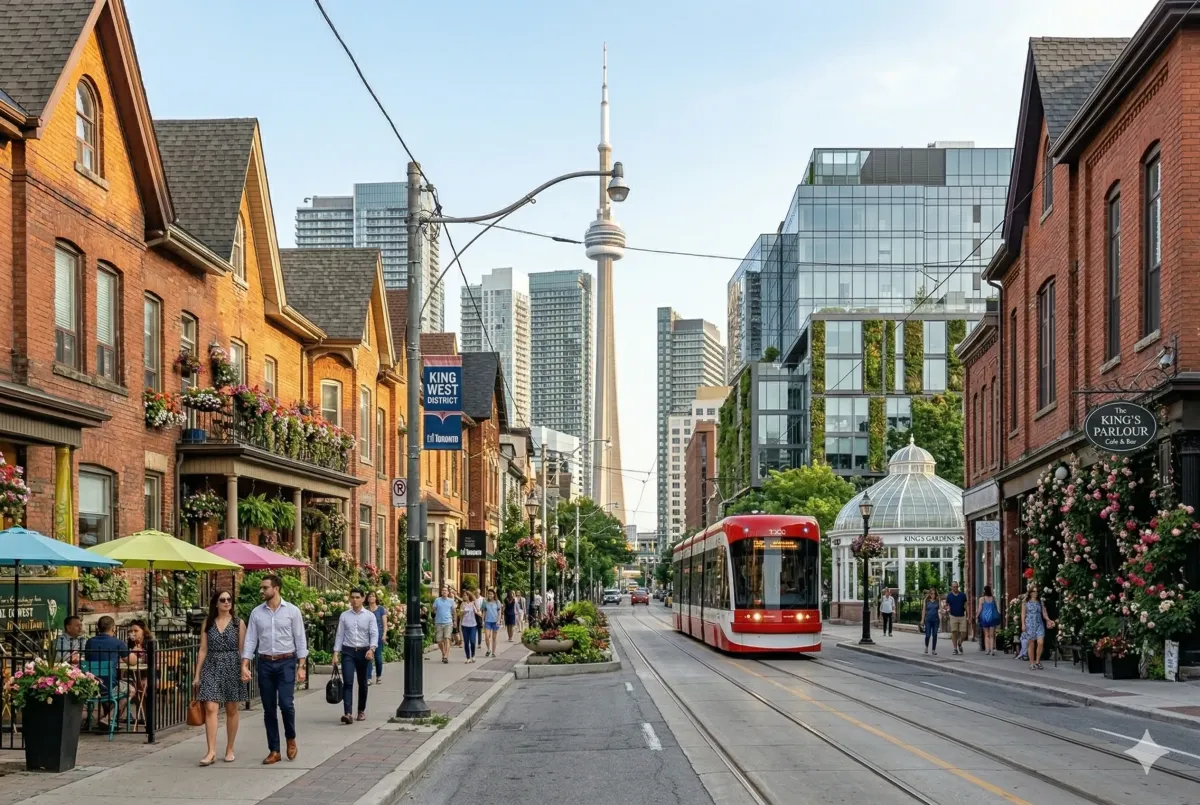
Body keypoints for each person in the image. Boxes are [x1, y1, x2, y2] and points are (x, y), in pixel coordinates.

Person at [241, 574, 308, 765]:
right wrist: (245, 663)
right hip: (265, 663)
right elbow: (251, 639)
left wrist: (301, 666)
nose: (261, 591)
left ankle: (291, 737)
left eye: (265, 588)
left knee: (286, 704)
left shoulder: (292, 612)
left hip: (286, 661)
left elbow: (300, 638)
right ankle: (274, 750)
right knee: (268, 708)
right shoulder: (256, 613)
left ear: (276, 588)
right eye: (261, 588)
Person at [193, 590, 248, 766]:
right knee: (210, 707)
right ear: (215, 604)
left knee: (232, 708)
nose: (226, 602)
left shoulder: (238, 623)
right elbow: (202, 649)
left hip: (232, 664)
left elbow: (242, 650)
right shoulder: (208, 623)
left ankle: (230, 748)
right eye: (222, 600)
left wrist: (243, 669)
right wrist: (197, 674)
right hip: (212, 664)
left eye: (229, 599)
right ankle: (211, 751)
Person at [334, 588, 377, 724]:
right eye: (352, 597)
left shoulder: (370, 616)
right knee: (348, 681)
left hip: (364, 652)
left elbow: (374, 634)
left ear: (363, 599)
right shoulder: (344, 616)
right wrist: (336, 653)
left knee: (363, 682)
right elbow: (340, 635)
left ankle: (361, 710)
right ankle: (348, 713)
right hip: (348, 651)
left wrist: (372, 649)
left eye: (358, 597)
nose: (355, 600)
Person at [83, 616, 128, 731]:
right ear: (113, 629)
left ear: (98, 628)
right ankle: (108, 718)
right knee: (130, 690)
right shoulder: (118, 643)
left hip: (92, 685)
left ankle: (106, 721)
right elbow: (131, 661)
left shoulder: (90, 642)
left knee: (107, 687)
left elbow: (88, 659)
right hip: (109, 686)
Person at [1024, 586, 1055, 670]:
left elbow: (1044, 613)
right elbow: (1023, 614)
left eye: (1036, 592)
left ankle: (1037, 661)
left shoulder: (1040, 602)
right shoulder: (1025, 602)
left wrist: (1049, 620)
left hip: (1039, 623)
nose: (1035, 593)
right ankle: (1031, 663)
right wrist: (1023, 624)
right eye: (1034, 591)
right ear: (1030, 593)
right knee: (1031, 643)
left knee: (1040, 642)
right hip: (1030, 624)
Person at [364, 591, 387, 685]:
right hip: (367, 635)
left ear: (376, 598)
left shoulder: (381, 609)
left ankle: (378, 676)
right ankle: (368, 677)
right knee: (369, 656)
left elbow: (384, 624)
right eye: (369, 596)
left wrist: (384, 634)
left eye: (373, 596)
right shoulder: (365, 610)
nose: (371, 598)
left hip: (378, 635)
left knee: (378, 658)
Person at [976, 585, 1001, 656]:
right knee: (992, 635)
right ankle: (992, 650)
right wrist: (999, 615)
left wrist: (977, 616)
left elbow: (980, 609)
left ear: (984, 591)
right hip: (992, 618)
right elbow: (998, 609)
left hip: (984, 618)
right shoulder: (994, 598)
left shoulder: (982, 599)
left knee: (986, 635)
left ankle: (987, 650)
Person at [433, 586, 455, 664]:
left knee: (447, 638)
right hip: (439, 622)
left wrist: (454, 621)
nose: (444, 591)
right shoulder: (437, 600)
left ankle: (446, 656)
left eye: (445, 590)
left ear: (448, 593)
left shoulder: (451, 601)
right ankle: (443, 652)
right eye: (443, 590)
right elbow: (434, 609)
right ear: (441, 592)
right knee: (439, 640)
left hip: (448, 622)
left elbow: (454, 611)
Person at [945, 582, 968, 655]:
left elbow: (966, 605)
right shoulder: (949, 596)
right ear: (951, 587)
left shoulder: (962, 595)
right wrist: (947, 608)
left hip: (962, 616)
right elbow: (946, 605)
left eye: (956, 587)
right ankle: (955, 649)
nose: (955, 588)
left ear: (958, 587)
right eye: (954, 587)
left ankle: (960, 642)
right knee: (954, 632)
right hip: (953, 616)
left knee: (964, 633)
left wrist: (968, 615)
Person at [460, 591, 481, 664]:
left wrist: (476, 612)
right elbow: (461, 612)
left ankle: (473, 655)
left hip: (473, 625)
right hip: (465, 625)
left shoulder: (473, 603)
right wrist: (464, 611)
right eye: (464, 595)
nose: (464, 596)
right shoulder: (463, 604)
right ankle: (468, 657)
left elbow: (478, 611)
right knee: (466, 642)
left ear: (469, 596)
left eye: (465, 595)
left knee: (472, 641)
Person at [920, 589, 940, 655]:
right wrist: (922, 620)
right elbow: (923, 611)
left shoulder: (937, 601)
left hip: (935, 620)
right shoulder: (926, 601)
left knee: (935, 634)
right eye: (932, 594)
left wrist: (942, 613)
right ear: (929, 594)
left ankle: (933, 650)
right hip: (928, 620)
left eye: (934, 594)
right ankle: (926, 647)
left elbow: (940, 609)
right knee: (928, 635)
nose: (933, 595)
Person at [483, 589, 501, 657]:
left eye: (491, 594)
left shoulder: (497, 602)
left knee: (494, 637)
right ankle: (488, 649)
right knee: (487, 637)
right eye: (488, 594)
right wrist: (482, 620)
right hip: (487, 621)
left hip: (495, 622)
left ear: (494, 595)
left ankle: (493, 652)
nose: (489, 595)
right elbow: (484, 612)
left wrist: (498, 620)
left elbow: (499, 612)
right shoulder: (485, 602)